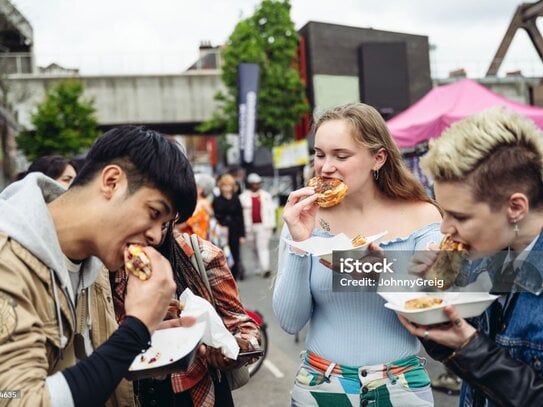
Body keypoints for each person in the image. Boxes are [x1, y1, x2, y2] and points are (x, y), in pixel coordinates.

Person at [0, 125, 197, 406]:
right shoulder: (7, 263)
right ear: (112, 181)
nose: (155, 236)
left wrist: (140, 344)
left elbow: (77, 364)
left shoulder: (97, 263)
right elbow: (16, 399)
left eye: (164, 224)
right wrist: (136, 330)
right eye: (154, 213)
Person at [273, 102, 443, 406]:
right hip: (321, 384)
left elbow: (439, 311)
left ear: (378, 158)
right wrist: (300, 243)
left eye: (341, 156)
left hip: (402, 385)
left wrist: (382, 274)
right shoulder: (305, 217)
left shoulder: (425, 216)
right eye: (319, 154)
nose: (326, 167)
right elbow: (290, 321)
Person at [399, 107, 543, 406]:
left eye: (460, 217)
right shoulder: (486, 258)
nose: (444, 228)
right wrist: (434, 296)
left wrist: (471, 347)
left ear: (515, 207)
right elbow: (458, 357)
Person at [113, 223, 261, 406]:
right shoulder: (111, 262)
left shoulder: (201, 254)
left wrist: (233, 350)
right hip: (137, 393)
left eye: (163, 220)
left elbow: (244, 328)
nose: (153, 234)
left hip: (200, 393)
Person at [239, 173, 277, 278]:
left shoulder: (266, 196)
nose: (257, 185)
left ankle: (265, 268)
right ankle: (257, 267)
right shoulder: (243, 197)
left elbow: (271, 211)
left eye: (258, 183)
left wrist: (273, 225)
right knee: (253, 248)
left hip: (263, 226)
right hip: (249, 227)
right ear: (250, 184)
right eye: (255, 184)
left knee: (262, 247)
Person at [213, 174, 245, 280]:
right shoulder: (217, 200)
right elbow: (216, 215)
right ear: (221, 186)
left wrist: (242, 234)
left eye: (229, 185)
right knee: (223, 254)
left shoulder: (236, 199)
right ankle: (226, 278)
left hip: (235, 230)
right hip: (222, 231)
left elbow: (241, 216)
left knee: (236, 254)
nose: (227, 188)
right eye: (225, 185)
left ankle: (234, 278)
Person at [177, 173, 216, 239]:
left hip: (193, 244)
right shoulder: (205, 203)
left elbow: (182, 225)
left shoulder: (199, 206)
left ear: (200, 189)